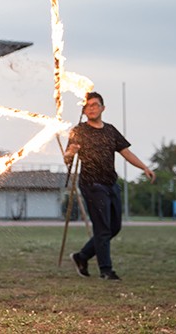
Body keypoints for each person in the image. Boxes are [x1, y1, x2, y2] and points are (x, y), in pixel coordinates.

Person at [64, 91, 156, 281]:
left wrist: (144, 167)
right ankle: (106, 270)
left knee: (114, 227)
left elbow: (126, 153)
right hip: (92, 185)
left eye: (95, 105)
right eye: (88, 106)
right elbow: (67, 158)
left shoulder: (110, 130)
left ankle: (82, 257)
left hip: (111, 184)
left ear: (103, 108)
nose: (91, 108)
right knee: (103, 228)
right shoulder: (78, 131)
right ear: (84, 109)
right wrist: (71, 152)